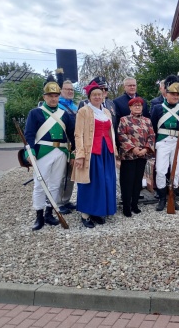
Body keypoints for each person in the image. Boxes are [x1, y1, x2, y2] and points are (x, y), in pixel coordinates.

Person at [24, 81, 75, 230]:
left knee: (55, 184)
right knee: (40, 185)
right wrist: (30, 151)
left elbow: (71, 135)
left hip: (61, 152)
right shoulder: (35, 113)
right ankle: (39, 215)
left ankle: (49, 213)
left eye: (56, 96)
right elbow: (29, 134)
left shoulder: (64, 114)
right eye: (50, 96)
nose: (53, 99)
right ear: (44, 97)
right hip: (43, 152)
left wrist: (72, 154)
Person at [72, 81, 117, 228]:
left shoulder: (106, 112)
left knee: (105, 181)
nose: (97, 97)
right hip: (91, 152)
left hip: (106, 152)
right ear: (89, 96)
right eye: (94, 95)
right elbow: (78, 134)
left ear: (103, 95)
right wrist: (79, 154)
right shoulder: (83, 111)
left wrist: (115, 152)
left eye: (99, 94)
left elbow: (111, 133)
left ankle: (98, 211)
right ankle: (85, 214)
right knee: (90, 182)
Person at [151, 73, 179, 211]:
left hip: (178, 142)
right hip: (163, 142)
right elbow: (152, 127)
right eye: (172, 94)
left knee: (175, 171)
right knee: (161, 171)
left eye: (177, 95)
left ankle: (172, 197)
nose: (175, 97)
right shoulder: (157, 108)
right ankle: (162, 198)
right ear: (166, 94)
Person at [117, 97, 155, 217]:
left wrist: (145, 149)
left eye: (139, 105)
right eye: (135, 105)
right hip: (129, 155)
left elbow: (152, 136)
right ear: (130, 107)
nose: (137, 107)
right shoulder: (124, 120)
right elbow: (121, 135)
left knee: (137, 181)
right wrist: (133, 148)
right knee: (127, 181)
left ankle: (135, 204)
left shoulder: (147, 121)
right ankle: (126, 206)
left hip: (142, 155)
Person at [56, 79, 78, 214]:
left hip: (74, 144)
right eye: (67, 89)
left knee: (71, 175)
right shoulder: (58, 106)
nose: (70, 91)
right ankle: (58, 202)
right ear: (60, 91)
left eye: (72, 89)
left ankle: (66, 200)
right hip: (63, 144)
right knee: (61, 175)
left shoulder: (75, 107)